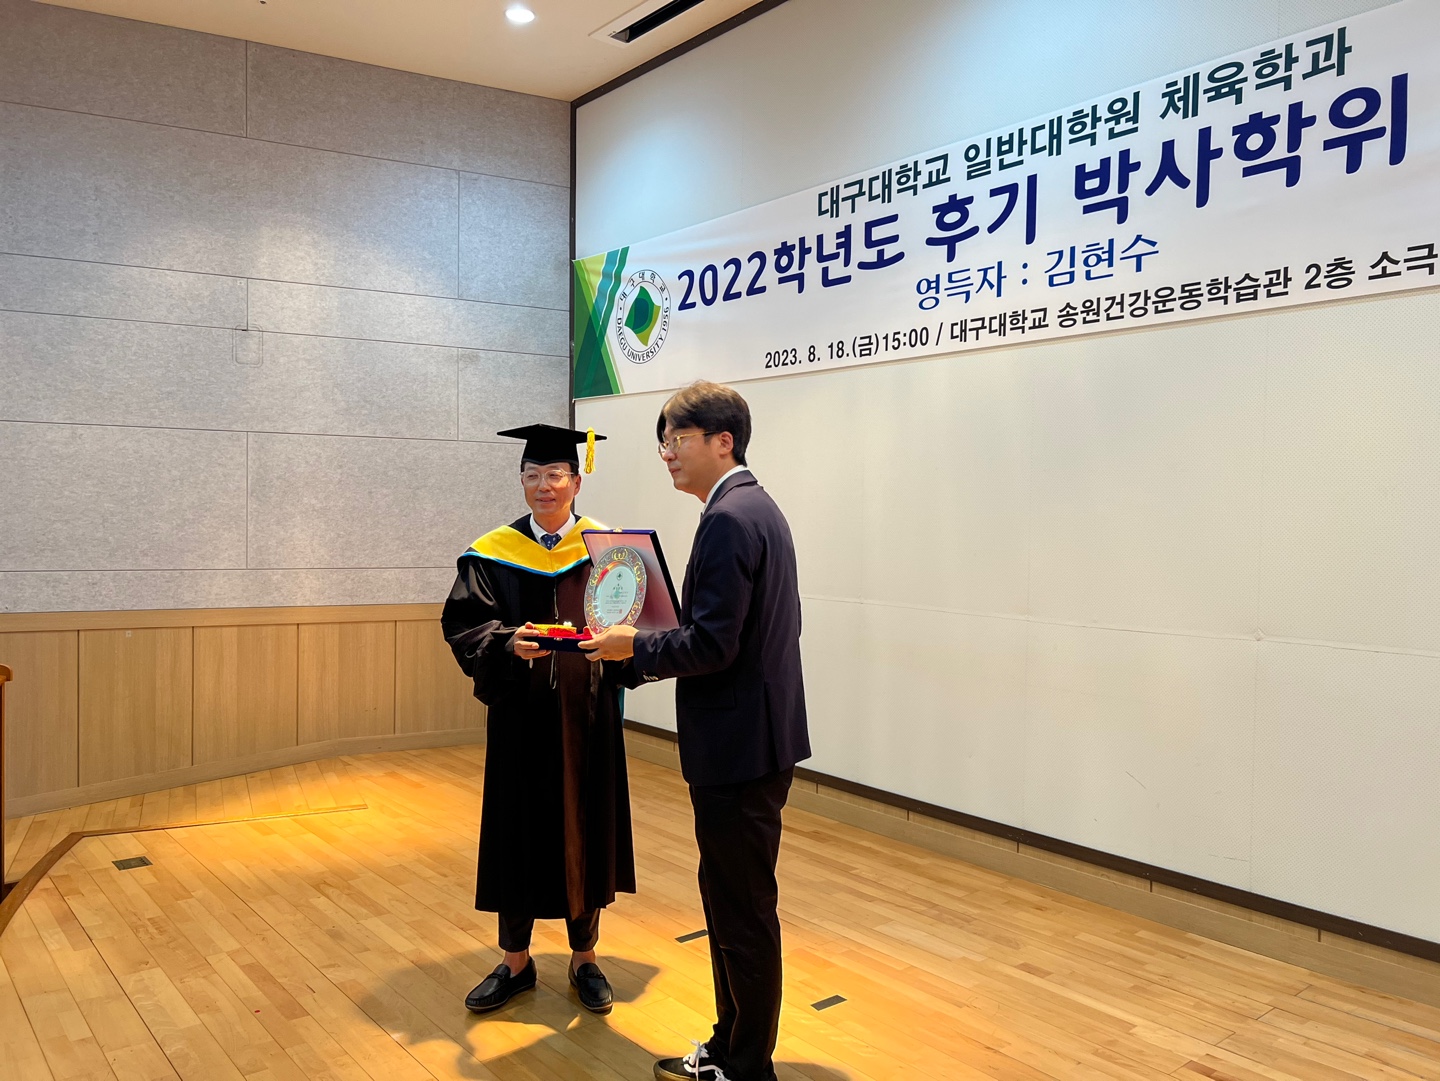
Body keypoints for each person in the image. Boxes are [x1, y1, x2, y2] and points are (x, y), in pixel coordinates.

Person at [583, 382, 810, 1081]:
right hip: (754, 739)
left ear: (723, 441)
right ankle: (729, 1044)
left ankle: (746, 1065)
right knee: (732, 903)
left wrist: (634, 647)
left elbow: (713, 644)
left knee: (741, 912)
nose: (667, 453)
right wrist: (648, 645)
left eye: (677, 439)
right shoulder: (753, 508)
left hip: (739, 748)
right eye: (664, 441)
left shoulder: (730, 519)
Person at [441, 422, 638, 1016]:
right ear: (522, 481)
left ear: (576, 481)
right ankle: (515, 961)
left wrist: (623, 646)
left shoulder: (609, 549)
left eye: (555, 474)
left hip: (587, 717)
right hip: (519, 717)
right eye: (533, 475)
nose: (544, 485)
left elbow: (639, 622)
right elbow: (464, 625)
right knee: (516, 830)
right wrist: (506, 643)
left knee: (586, 825)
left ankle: (585, 957)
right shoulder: (492, 552)